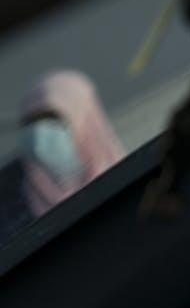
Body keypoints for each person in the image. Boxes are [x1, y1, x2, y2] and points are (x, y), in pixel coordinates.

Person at [0, 70, 126, 245]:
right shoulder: (8, 208)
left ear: (86, 121)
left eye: (52, 119)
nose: (39, 133)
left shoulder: (131, 184)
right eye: (30, 122)